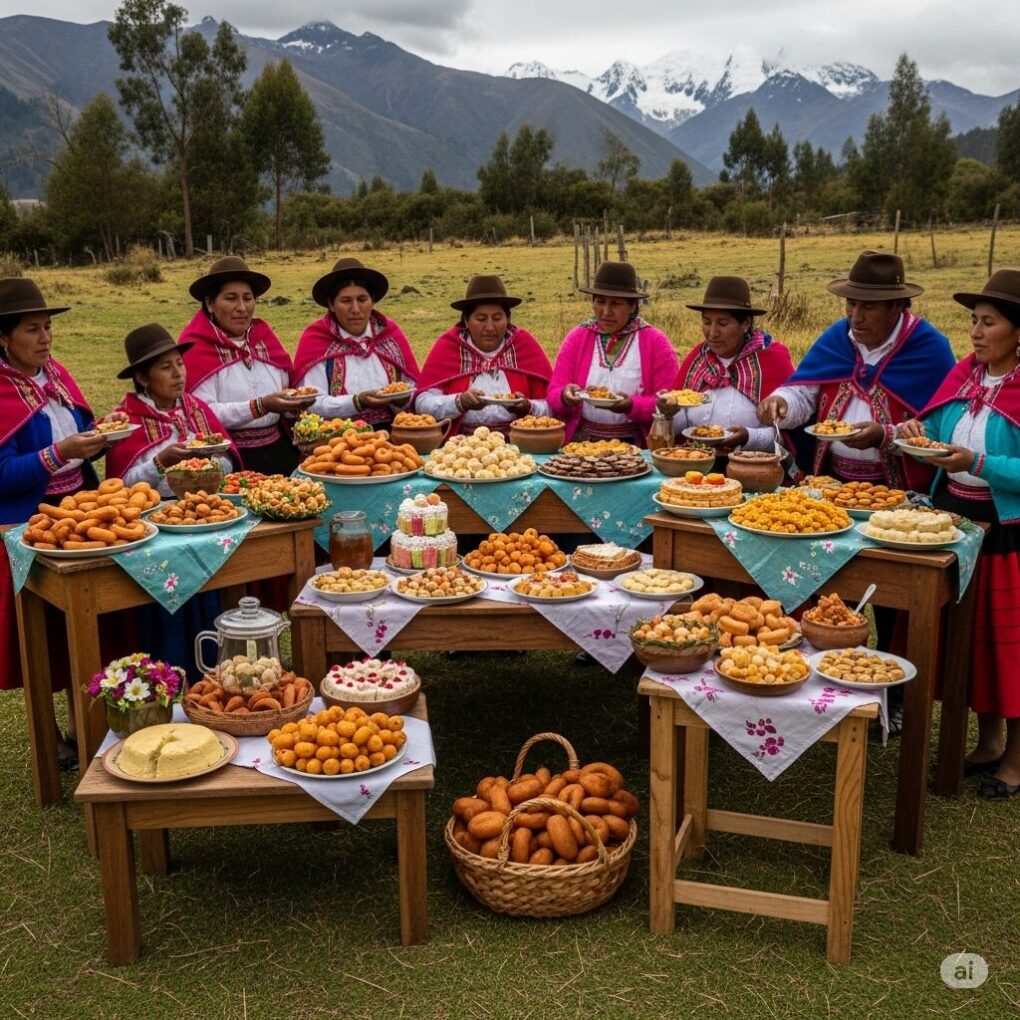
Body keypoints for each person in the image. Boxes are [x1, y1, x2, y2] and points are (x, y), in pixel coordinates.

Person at [899, 270, 1020, 799]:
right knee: (970, 644)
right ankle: (989, 741)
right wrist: (917, 437)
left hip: (1005, 535)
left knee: (1007, 647)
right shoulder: (967, 378)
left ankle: (1016, 761)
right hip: (954, 523)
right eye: (974, 320)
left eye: (988, 322)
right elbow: (943, 441)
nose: (975, 331)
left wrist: (980, 462)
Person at [0, 277, 109, 768]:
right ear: (4, 338)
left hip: (80, 517)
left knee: (84, 628)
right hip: (28, 529)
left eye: (47, 328)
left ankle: (84, 724)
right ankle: (50, 740)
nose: (44, 339)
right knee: (39, 638)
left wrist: (98, 438)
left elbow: (81, 435)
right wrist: (56, 453)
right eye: (31, 329)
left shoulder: (56, 377)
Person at [758, 250, 956, 488]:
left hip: (902, 489)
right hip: (831, 482)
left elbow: (942, 425)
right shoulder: (836, 340)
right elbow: (804, 391)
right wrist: (782, 402)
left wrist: (884, 436)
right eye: (851, 304)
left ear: (896, 307)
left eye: (869, 307)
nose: (856, 317)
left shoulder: (930, 350)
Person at [180, 256, 313, 475]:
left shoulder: (265, 341)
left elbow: (286, 390)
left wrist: (294, 406)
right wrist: (260, 406)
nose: (242, 307)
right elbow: (202, 413)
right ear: (210, 304)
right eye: (231, 298)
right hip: (230, 458)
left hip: (280, 450)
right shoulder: (195, 349)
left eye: (248, 298)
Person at [548, 261, 678, 445]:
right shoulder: (577, 338)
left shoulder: (655, 342)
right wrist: (565, 396)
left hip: (636, 444)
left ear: (633, 305)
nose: (606, 312)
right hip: (582, 443)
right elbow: (554, 391)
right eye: (600, 302)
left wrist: (632, 406)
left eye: (616, 304)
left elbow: (669, 400)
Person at [660, 276, 793, 451]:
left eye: (722, 323)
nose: (712, 333)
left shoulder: (772, 361)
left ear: (745, 323)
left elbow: (790, 435)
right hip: (694, 466)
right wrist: (667, 414)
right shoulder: (697, 360)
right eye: (707, 322)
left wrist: (749, 437)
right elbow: (678, 427)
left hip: (752, 470)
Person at [105, 324, 236, 497]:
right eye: (166, 367)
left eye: (180, 363)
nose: (178, 373)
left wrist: (207, 463)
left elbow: (228, 462)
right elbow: (124, 485)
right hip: (155, 515)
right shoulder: (126, 424)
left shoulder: (197, 409)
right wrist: (161, 462)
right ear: (142, 378)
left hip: (209, 504)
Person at [292, 257, 419, 429]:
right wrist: (356, 402)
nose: (355, 309)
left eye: (362, 299)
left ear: (372, 301)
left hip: (393, 436)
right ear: (331, 304)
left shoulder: (390, 337)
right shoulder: (316, 341)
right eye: (346, 301)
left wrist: (404, 399)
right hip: (336, 439)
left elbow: (414, 388)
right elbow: (311, 402)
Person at [416, 275, 552, 434]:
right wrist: (458, 402)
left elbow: (553, 406)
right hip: (461, 447)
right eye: (481, 319)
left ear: (508, 319)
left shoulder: (523, 346)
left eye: (497, 318)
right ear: (466, 320)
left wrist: (528, 407)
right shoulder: (449, 348)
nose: (489, 327)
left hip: (522, 444)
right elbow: (422, 404)